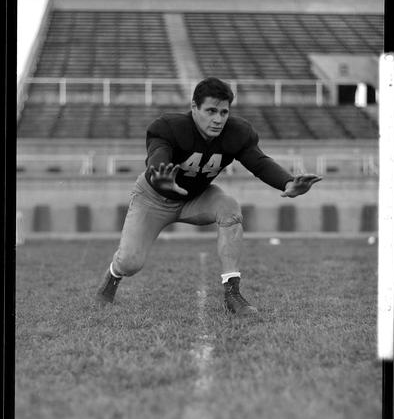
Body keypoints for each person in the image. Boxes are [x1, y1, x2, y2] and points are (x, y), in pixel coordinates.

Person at [95, 77, 322, 317]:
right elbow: (158, 153)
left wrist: (287, 182)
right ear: (194, 107)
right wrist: (158, 175)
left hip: (196, 198)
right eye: (211, 111)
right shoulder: (170, 127)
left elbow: (259, 162)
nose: (218, 119)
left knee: (230, 207)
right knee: (130, 262)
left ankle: (232, 294)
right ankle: (113, 275)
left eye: (224, 112)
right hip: (153, 199)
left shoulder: (236, 132)